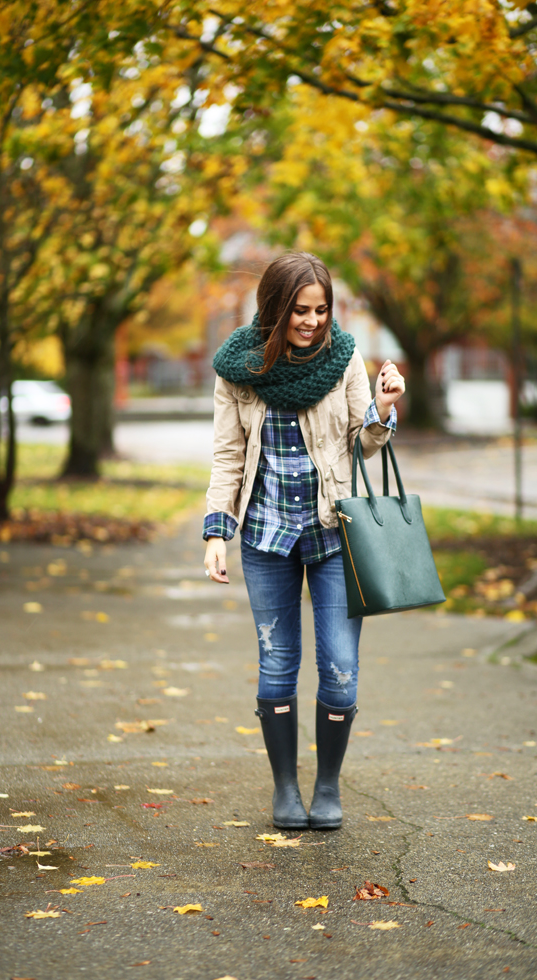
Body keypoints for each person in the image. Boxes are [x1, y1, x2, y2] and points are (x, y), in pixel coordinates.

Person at [203, 252, 405, 830]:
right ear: (274, 308)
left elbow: (361, 443)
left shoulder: (344, 358)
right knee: (277, 664)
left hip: (334, 535)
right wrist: (217, 531)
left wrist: (383, 411)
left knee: (340, 669)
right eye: (300, 310)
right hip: (266, 538)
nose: (312, 321)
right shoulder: (237, 368)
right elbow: (227, 456)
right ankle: (285, 788)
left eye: (320, 310)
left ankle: (329, 785)